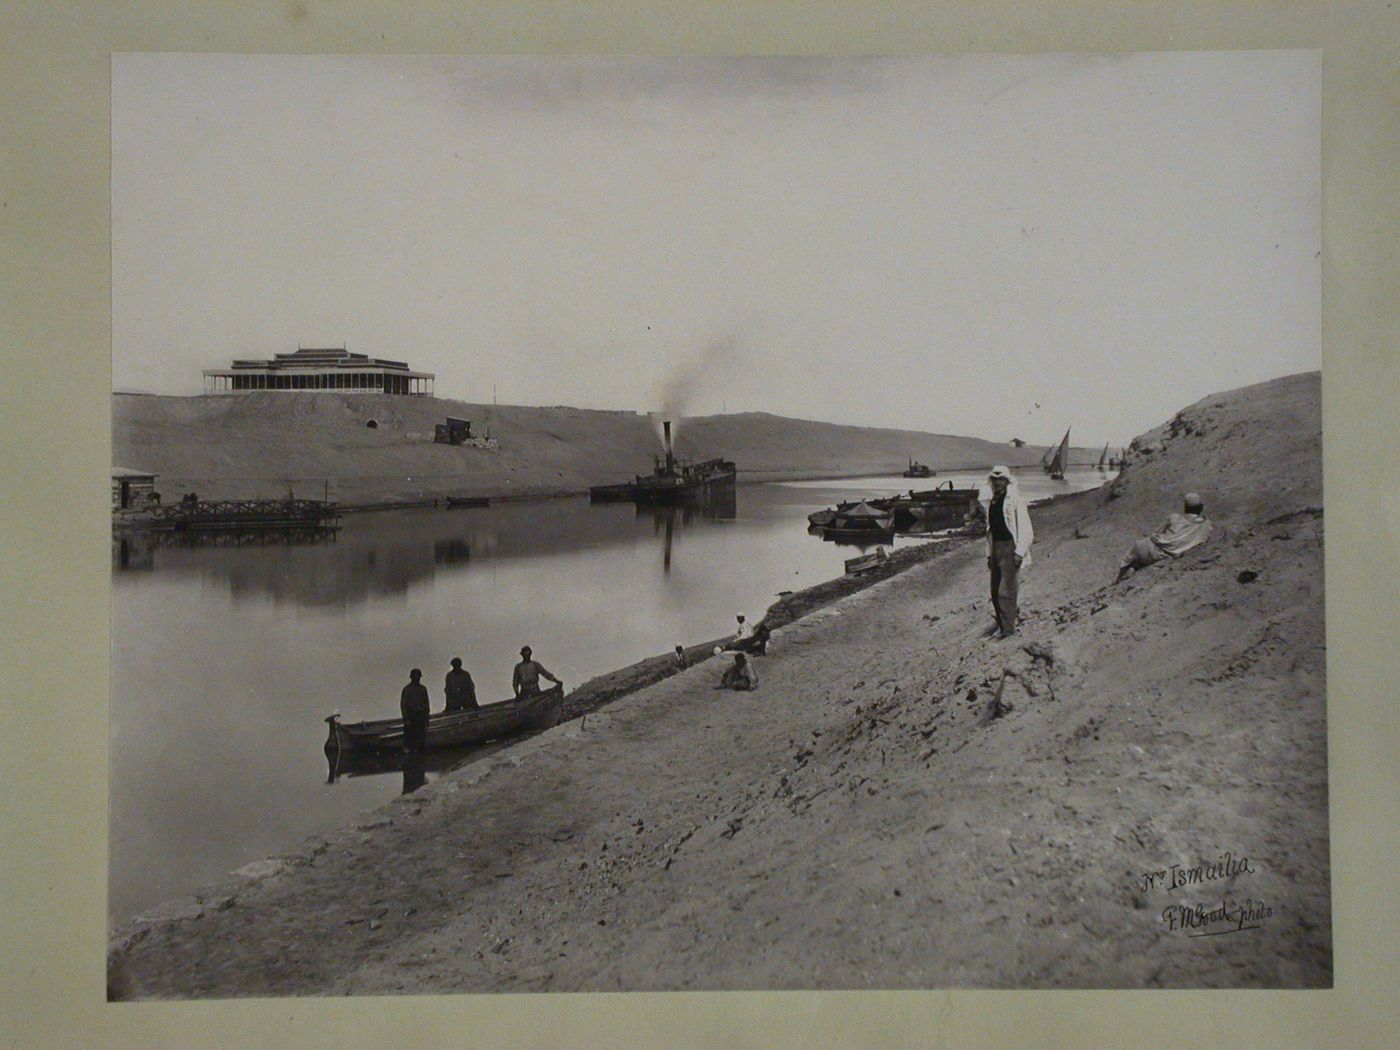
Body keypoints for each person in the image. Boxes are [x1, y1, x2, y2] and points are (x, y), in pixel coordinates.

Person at [982, 465, 1034, 639]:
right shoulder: (992, 501)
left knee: (1007, 589)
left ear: (1007, 482)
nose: (998, 483)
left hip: (1010, 547)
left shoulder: (1015, 501)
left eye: (1001, 479)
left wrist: (1019, 552)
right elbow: (990, 531)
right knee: (995, 589)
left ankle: (1008, 629)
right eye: (995, 480)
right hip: (996, 547)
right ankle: (1002, 624)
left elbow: (1026, 529)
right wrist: (989, 554)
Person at [1116, 493, 1214, 582]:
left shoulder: (1174, 517)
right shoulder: (1207, 525)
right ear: (1201, 507)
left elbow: (1155, 534)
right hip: (1169, 556)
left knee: (1131, 555)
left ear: (1185, 508)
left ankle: (1118, 579)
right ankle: (1134, 568)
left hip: (1152, 549)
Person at [399, 668, 430, 753]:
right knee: (409, 737)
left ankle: (418, 751)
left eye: (418, 677)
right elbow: (403, 705)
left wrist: (426, 718)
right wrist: (406, 718)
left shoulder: (423, 689)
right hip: (411, 716)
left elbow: (426, 704)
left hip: (421, 716)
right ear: (411, 677)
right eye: (415, 677)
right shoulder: (407, 689)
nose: (417, 678)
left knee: (420, 738)